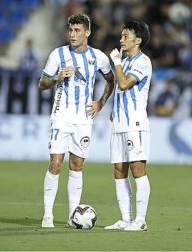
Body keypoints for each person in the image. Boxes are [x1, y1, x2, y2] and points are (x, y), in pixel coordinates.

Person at [38, 14, 115, 228]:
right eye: (70, 30)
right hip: (61, 117)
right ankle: (48, 215)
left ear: (87, 32)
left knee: (77, 164)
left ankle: (73, 216)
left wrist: (101, 102)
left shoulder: (98, 57)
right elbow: (42, 83)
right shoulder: (58, 54)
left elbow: (111, 79)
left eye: (77, 30)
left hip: (84, 119)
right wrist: (56, 78)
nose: (72, 34)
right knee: (55, 163)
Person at [105, 20, 152, 231]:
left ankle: (140, 220)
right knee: (119, 170)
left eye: (126, 36)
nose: (121, 39)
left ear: (138, 40)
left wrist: (115, 62)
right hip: (120, 123)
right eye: (121, 36)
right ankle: (125, 219)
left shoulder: (143, 62)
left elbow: (123, 84)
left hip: (135, 123)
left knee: (137, 169)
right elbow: (118, 90)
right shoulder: (123, 62)